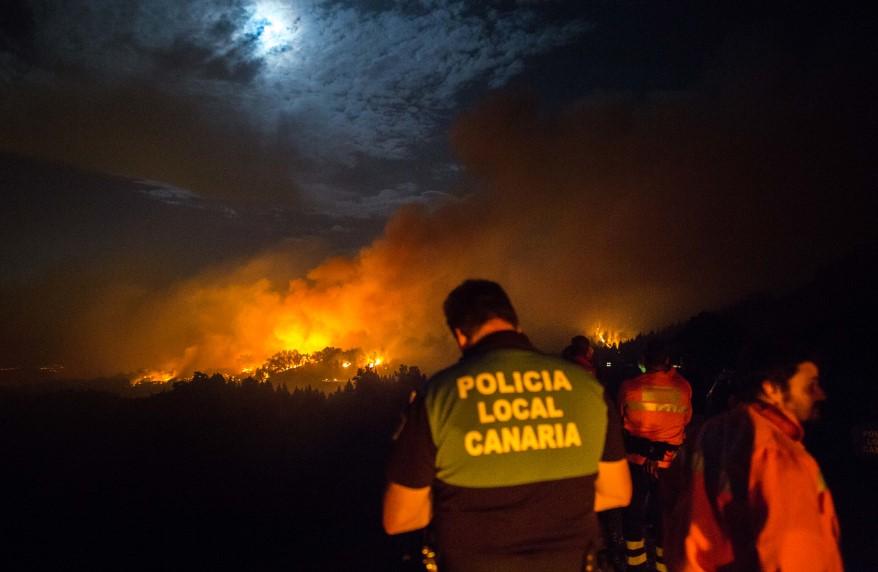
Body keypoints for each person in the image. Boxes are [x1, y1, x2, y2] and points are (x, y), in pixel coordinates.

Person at [383, 279, 631, 572]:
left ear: (460, 335)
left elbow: (401, 517)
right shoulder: (587, 387)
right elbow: (617, 492)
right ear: (515, 324)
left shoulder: (437, 396)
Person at [677, 351, 843, 571]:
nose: (820, 394)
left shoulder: (709, 433)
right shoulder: (779, 455)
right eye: (810, 385)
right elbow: (793, 556)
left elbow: (678, 517)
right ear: (771, 389)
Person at [618, 341, 693, 571]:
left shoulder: (629, 387)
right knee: (664, 514)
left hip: (636, 459)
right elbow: (686, 420)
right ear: (668, 361)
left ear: (644, 363)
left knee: (633, 512)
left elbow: (622, 419)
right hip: (668, 463)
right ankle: (663, 565)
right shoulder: (683, 387)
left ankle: (636, 563)